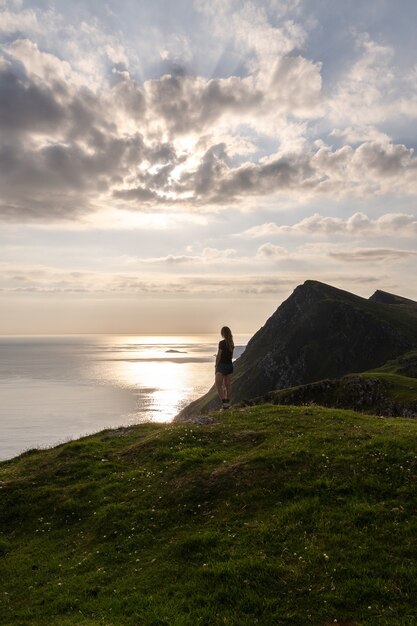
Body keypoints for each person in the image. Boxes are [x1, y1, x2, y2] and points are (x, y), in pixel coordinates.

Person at [215, 326, 234, 409]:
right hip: (229, 365)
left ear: (223, 333)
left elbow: (219, 355)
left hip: (222, 365)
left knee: (218, 384)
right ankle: (228, 402)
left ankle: (224, 402)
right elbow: (231, 356)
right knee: (228, 385)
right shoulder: (231, 343)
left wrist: (216, 365)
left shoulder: (222, 343)